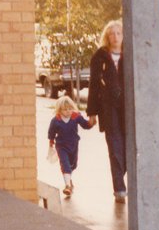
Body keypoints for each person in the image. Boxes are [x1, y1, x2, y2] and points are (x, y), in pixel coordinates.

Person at [87, 19, 128, 202]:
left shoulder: (130, 54)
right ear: (107, 36)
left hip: (128, 110)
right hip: (108, 110)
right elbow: (93, 86)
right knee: (115, 146)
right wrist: (92, 112)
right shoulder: (100, 57)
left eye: (118, 33)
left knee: (128, 148)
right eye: (112, 33)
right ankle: (119, 188)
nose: (115, 37)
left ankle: (121, 175)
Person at [47, 95, 94, 196]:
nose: (68, 111)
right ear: (59, 110)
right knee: (65, 164)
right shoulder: (56, 120)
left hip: (73, 145)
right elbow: (51, 133)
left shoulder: (75, 117)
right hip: (61, 146)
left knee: (73, 164)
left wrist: (91, 123)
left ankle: (69, 179)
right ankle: (67, 186)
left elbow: (85, 125)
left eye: (70, 109)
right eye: (65, 109)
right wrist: (51, 143)